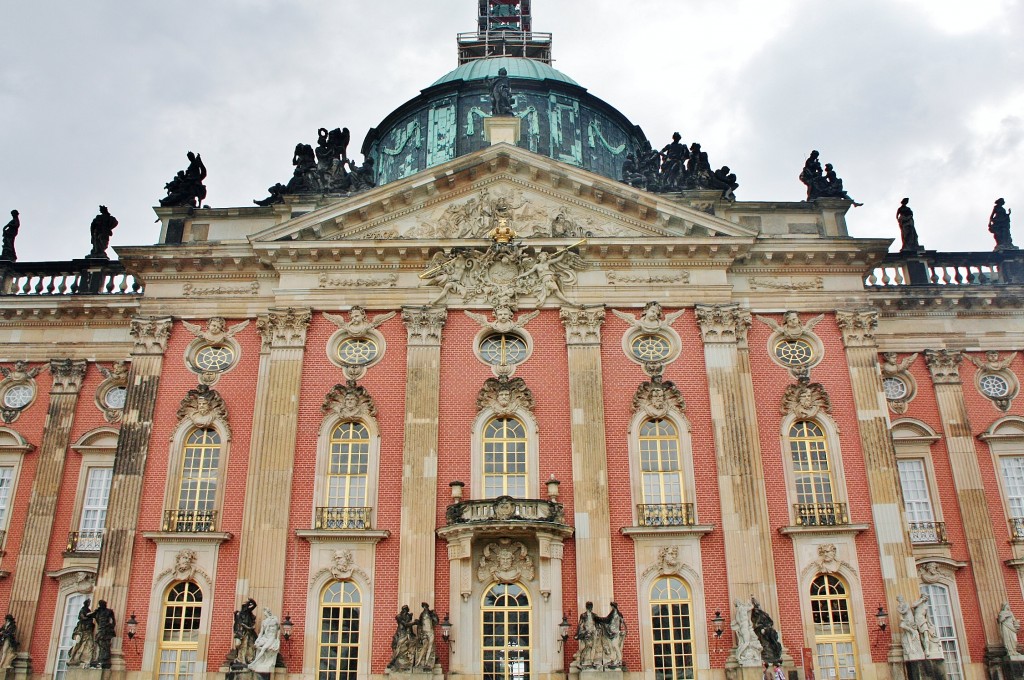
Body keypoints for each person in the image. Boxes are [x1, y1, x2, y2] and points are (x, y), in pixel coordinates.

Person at [248, 608, 281, 675]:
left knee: (263, 648)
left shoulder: (274, 620)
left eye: (265, 612)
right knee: (257, 645)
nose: (264, 613)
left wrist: (277, 639)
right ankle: (263, 658)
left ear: (268, 612)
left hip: (271, 638)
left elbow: (279, 629)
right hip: (265, 637)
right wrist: (257, 640)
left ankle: (253, 663)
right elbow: (261, 632)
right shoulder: (264, 622)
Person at [68, 599, 96, 667]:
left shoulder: (88, 610)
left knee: (89, 645)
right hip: (80, 631)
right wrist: (89, 615)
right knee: (77, 644)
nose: (89, 604)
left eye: (89, 603)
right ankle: (72, 657)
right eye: (88, 603)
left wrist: (92, 614)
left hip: (87, 631)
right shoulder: (83, 610)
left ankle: (86, 659)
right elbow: (82, 617)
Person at [90, 600, 116, 669]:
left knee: (104, 642)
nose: (103, 605)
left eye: (104, 604)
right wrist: (94, 611)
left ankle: (104, 658)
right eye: (101, 604)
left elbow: (113, 620)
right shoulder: (98, 611)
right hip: (101, 628)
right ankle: (101, 657)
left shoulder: (109, 611)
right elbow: (89, 616)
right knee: (99, 641)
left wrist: (112, 626)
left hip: (106, 628)